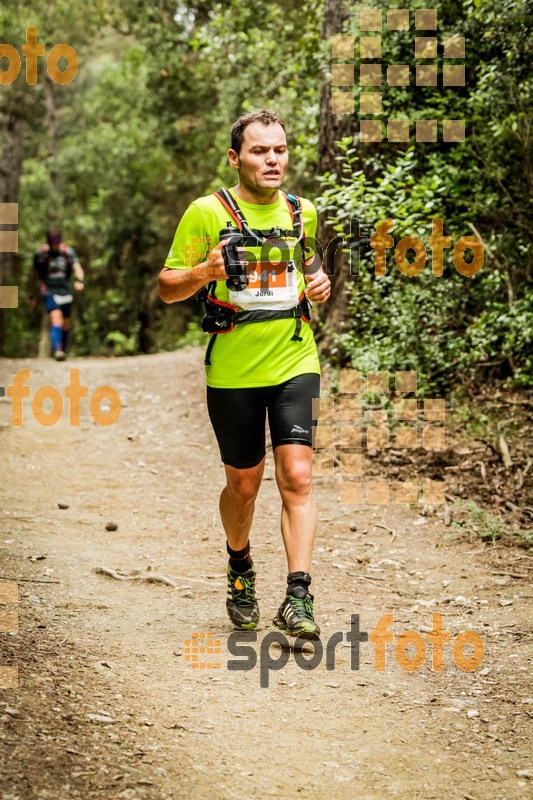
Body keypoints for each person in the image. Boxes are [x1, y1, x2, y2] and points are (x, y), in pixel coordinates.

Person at [159, 110, 331, 640]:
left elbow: (310, 269)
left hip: (295, 360)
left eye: (279, 150)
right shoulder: (206, 212)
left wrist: (318, 284)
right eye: (259, 151)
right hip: (233, 371)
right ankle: (240, 567)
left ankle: (298, 597)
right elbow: (167, 287)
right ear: (236, 158)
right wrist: (205, 272)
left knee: (297, 475)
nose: (272, 160)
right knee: (243, 485)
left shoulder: (304, 211)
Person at [28, 229, 84, 360]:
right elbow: (33, 275)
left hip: (66, 291)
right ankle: (58, 350)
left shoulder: (68, 252)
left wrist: (80, 280)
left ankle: (63, 349)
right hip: (49, 290)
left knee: (66, 323)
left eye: (57, 242)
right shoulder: (41, 254)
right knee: (56, 319)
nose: (54, 245)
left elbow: (78, 268)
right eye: (52, 243)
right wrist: (31, 293)